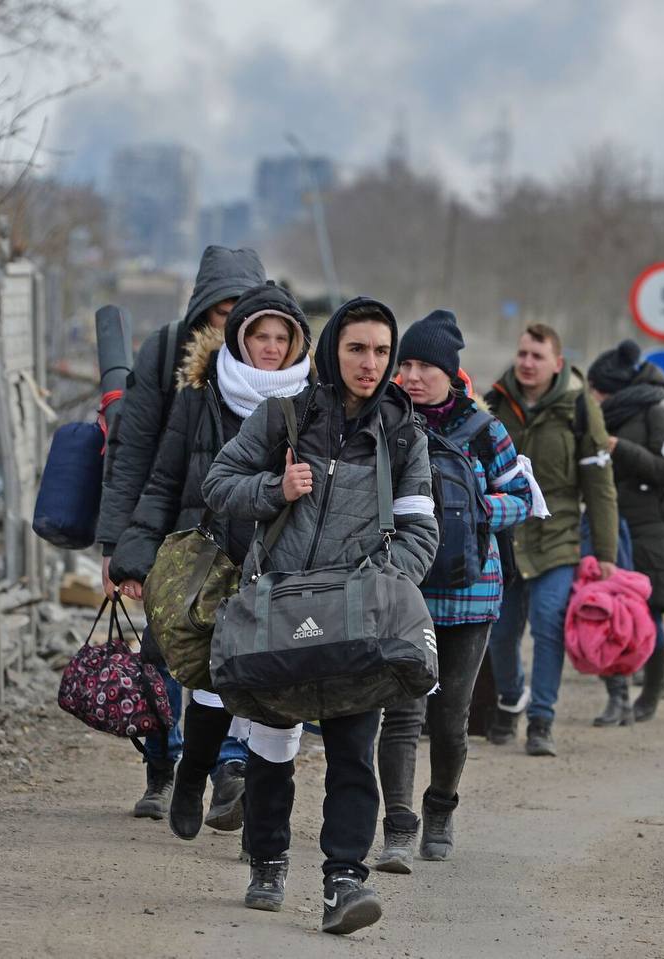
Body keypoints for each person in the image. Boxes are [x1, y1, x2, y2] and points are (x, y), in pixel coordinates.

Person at [203, 298, 438, 934]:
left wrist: (383, 590)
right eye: (357, 348)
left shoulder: (403, 433)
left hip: (357, 621)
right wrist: (274, 491)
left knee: (353, 753)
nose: (371, 363)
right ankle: (269, 858)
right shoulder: (283, 415)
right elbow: (218, 483)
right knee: (272, 747)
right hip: (278, 610)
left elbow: (421, 531)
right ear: (333, 348)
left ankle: (343, 882)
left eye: (382, 352)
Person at [109, 282, 312, 848]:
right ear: (239, 339)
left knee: (267, 680)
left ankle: (241, 792)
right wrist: (133, 556)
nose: (270, 348)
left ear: (297, 344)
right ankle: (192, 774)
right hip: (209, 559)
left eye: (281, 338)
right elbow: (164, 479)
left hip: (278, 563)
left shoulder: (311, 402)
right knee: (208, 674)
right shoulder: (200, 396)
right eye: (260, 336)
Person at [97, 245, 266, 822]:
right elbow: (136, 454)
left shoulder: (283, 364)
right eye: (223, 311)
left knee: (237, 653)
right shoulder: (173, 355)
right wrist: (120, 549)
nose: (235, 323)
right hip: (177, 534)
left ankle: (229, 769)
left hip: (251, 539)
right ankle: (161, 766)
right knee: (165, 651)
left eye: (245, 309)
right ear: (201, 311)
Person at [374, 310, 532, 872]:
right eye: (406, 364)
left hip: (470, 596)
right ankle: (397, 827)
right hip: (402, 591)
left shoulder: (484, 431)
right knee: (401, 715)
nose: (413, 376)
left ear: (451, 372)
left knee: (449, 719)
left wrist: (479, 509)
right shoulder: (381, 421)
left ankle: (440, 808)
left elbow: (523, 500)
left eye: (426, 366)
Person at [485, 323, 619, 756]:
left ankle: (541, 718)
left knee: (548, 622)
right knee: (501, 633)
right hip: (506, 537)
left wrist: (606, 553)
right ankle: (511, 698)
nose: (526, 363)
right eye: (522, 353)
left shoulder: (579, 408)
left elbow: (599, 485)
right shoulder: (495, 403)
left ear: (557, 364)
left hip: (558, 537)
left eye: (537, 356)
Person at [586, 340, 664, 723]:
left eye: (596, 389)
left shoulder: (658, 413)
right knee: (611, 614)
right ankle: (619, 697)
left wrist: (619, 448)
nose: (592, 396)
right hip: (614, 526)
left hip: (654, 530)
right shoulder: (605, 415)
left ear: (614, 389)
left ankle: (652, 691)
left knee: (650, 616)